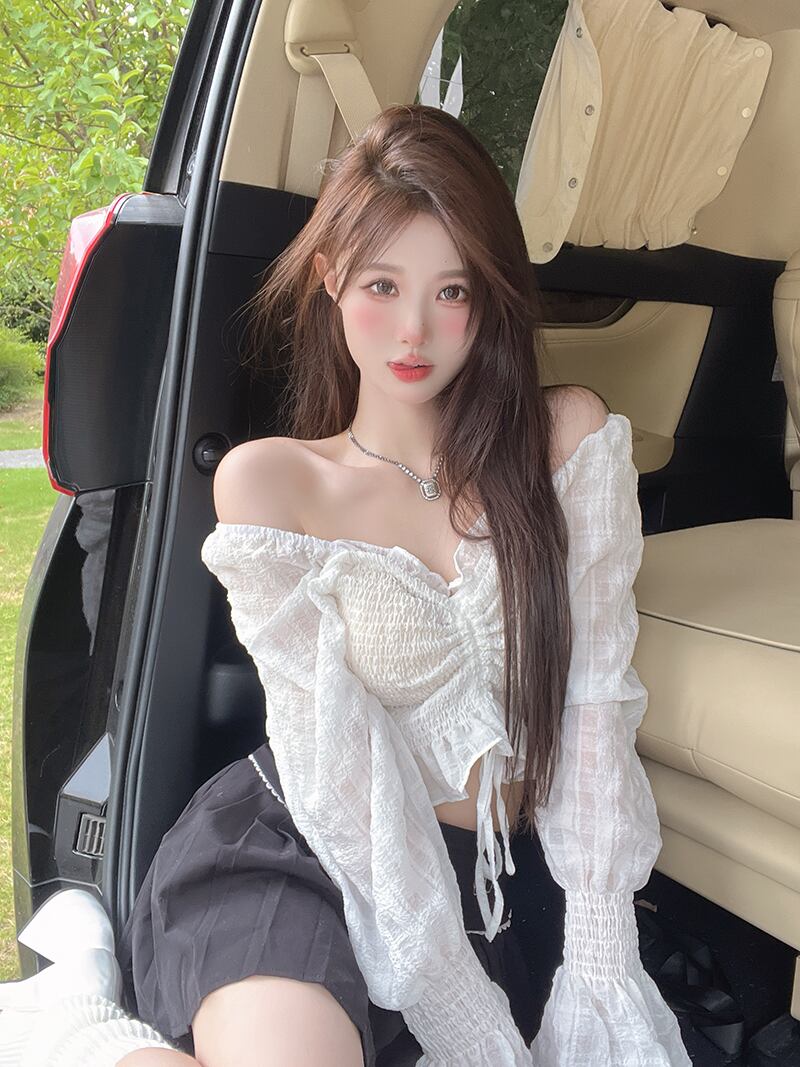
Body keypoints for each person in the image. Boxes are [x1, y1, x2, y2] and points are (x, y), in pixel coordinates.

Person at [0, 103, 692, 1067]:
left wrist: (602, 959)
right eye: (381, 284)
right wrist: (469, 1026)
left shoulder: (565, 439)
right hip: (309, 843)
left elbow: (595, 700)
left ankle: (78, 1010)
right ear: (330, 277)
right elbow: (332, 766)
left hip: (483, 884)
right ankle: (77, 1018)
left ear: (489, 296)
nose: (415, 329)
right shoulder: (273, 482)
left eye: (452, 290)